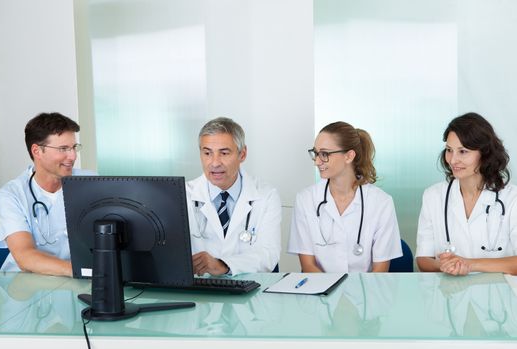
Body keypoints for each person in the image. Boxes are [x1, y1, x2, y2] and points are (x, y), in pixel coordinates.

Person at [288, 121, 402, 273]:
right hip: (321, 291)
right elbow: (308, 265)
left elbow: (380, 270)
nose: (317, 161)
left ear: (349, 156)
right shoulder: (306, 199)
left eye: (324, 154)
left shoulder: (381, 203)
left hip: (365, 293)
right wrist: (329, 294)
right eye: (315, 153)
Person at [416, 112, 517, 275]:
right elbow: (423, 260)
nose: (453, 160)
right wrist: (445, 265)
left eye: (463, 151)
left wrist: (468, 264)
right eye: (449, 150)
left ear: (485, 153)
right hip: (451, 295)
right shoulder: (433, 196)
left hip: (499, 294)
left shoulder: (512, 199)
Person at [0, 112, 94, 276]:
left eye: (74, 147)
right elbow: (25, 257)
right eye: (63, 149)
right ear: (37, 151)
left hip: (73, 281)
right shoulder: (11, 194)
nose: (73, 156)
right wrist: (83, 271)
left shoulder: (91, 183)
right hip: (24, 285)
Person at [186, 117, 281, 276]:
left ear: (242, 154)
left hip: (250, 293)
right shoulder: (184, 195)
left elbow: (269, 255)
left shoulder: (266, 195)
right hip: (199, 292)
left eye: (224, 153)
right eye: (207, 153)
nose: (214, 163)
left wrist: (222, 265)